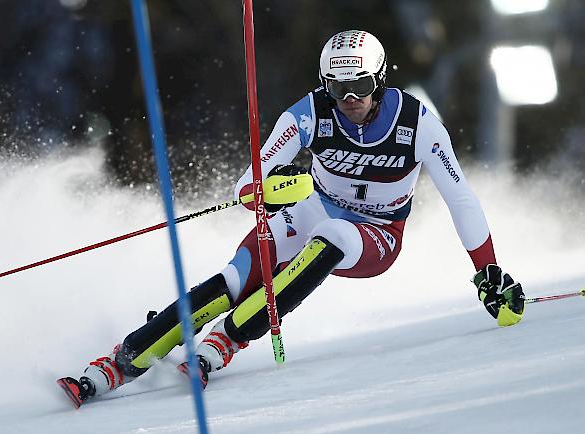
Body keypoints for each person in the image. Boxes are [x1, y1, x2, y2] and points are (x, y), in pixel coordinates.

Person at [57, 30, 525, 408]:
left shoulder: (417, 122)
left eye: (360, 86)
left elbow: (461, 198)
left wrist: (486, 270)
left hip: (377, 234)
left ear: (379, 79)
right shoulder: (310, 113)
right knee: (234, 280)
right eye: (338, 88)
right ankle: (122, 361)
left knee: (332, 235)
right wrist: (264, 190)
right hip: (315, 207)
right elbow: (250, 178)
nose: (350, 99)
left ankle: (228, 340)